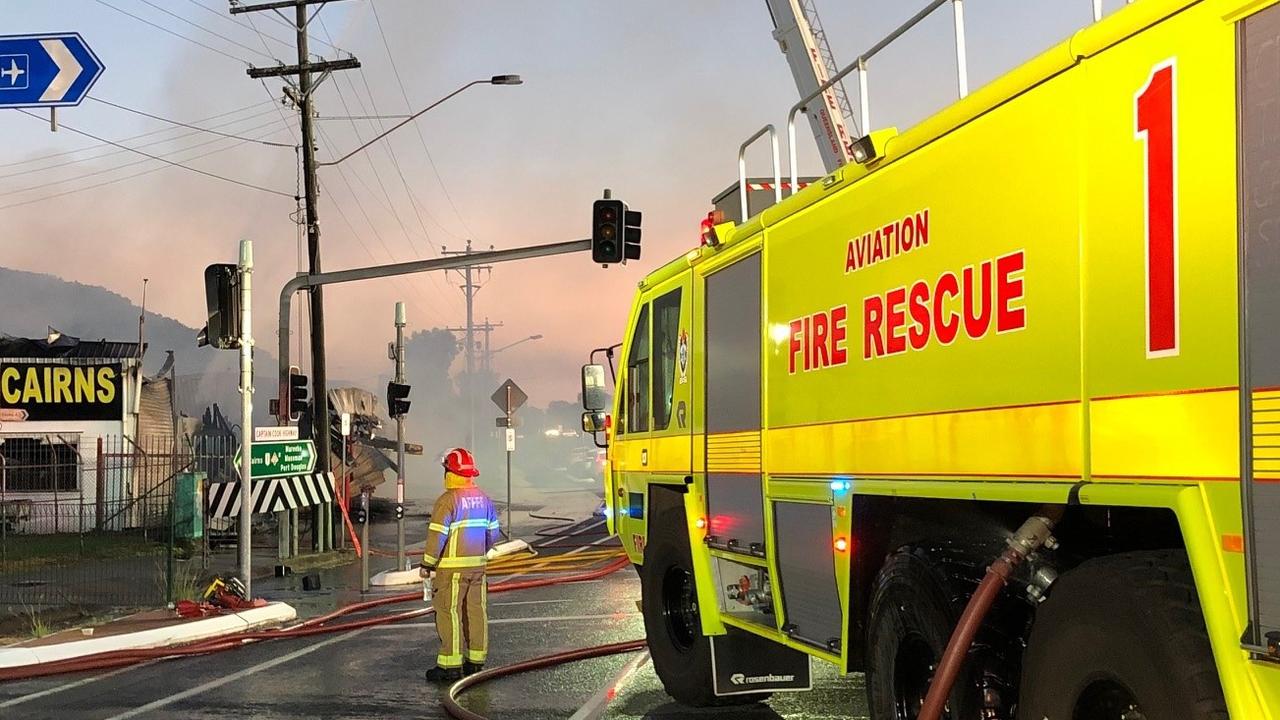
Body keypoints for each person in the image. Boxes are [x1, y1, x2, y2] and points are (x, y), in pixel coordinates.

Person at [420, 447, 502, 683]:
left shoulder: (448, 500)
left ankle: (450, 664)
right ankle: (476, 660)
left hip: (451, 569)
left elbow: (437, 536)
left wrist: (428, 564)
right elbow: (493, 533)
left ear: (449, 472)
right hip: (478, 567)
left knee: (449, 612)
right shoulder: (484, 498)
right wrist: (480, 552)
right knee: (475, 611)